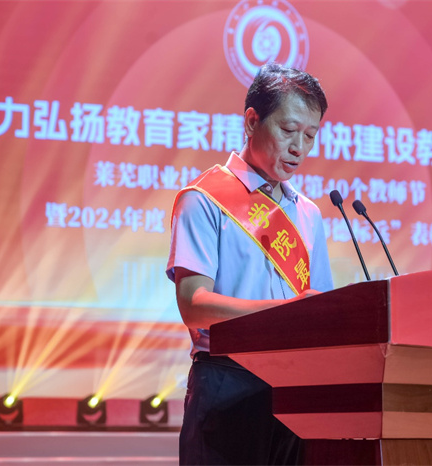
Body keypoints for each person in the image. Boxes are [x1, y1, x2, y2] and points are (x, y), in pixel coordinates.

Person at [166, 63, 333, 465]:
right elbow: (194, 305)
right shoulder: (203, 199)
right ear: (252, 121)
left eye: (310, 135)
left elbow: (321, 309)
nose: (299, 147)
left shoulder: (308, 214)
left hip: (294, 387)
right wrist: (284, 312)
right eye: (289, 130)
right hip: (227, 382)